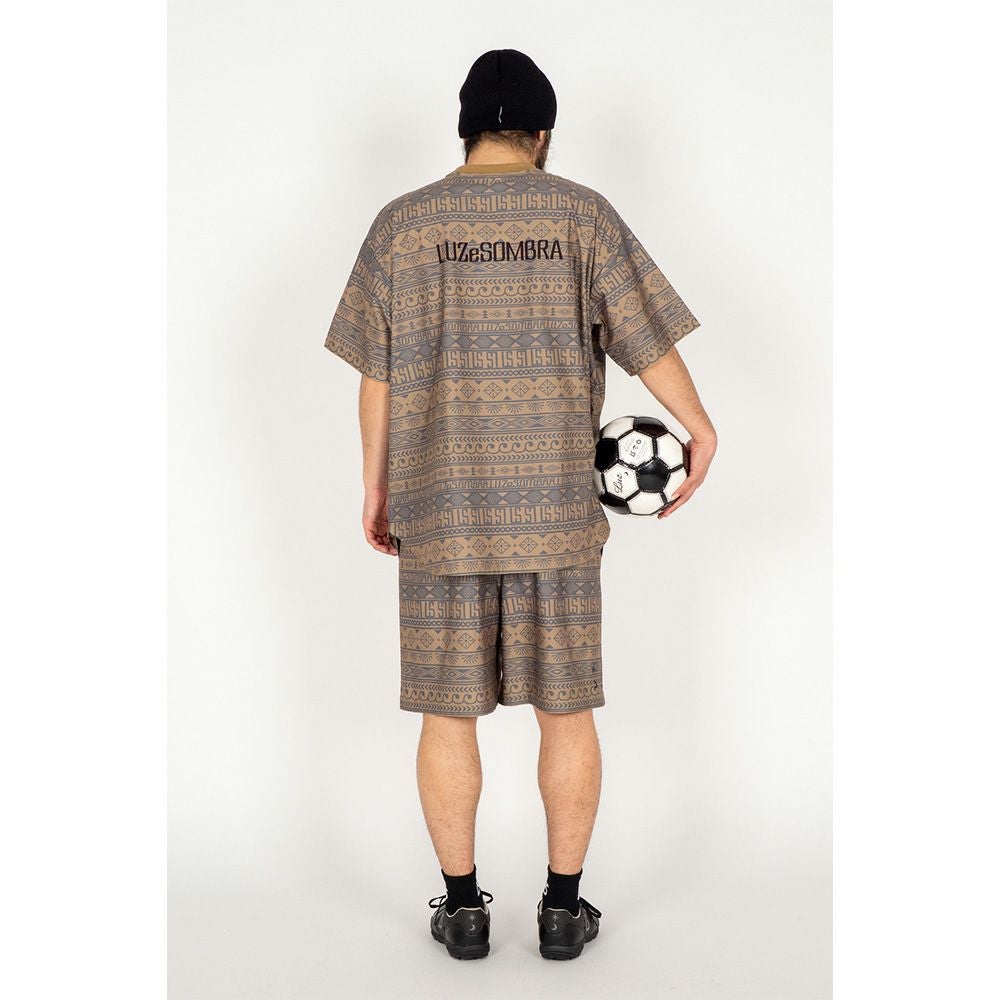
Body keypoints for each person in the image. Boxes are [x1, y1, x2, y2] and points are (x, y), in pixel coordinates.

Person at [323, 48, 717, 961]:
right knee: (567, 711)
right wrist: (697, 426)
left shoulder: (402, 225)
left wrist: (377, 485)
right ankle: (562, 910)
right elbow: (645, 339)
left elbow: (376, 376)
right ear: (542, 134)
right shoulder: (582, 213)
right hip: (557, 516)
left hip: (440, 510)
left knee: (446, 713)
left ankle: (464, 911)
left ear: (465, 130)